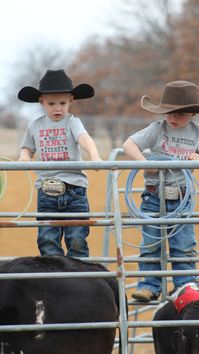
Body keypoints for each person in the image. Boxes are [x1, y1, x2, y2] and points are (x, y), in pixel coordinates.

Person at [123, 80, 199, 302]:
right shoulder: (157, 129)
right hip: (153, 194)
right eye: (168, 112)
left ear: (192, 113)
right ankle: (149, 286)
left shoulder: (198, 133)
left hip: (181, 197)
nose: (172, 118)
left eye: (179, 113)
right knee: (150, 243)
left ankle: (184, 286)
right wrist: (144, 163)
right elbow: (130, 144)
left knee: (184, 244)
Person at [18, 69, 102, 258]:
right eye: (51, 103)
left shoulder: (72, 122)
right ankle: (56, 281)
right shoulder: (35, 125)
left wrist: (94, 156)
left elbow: (84, 138)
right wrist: (24, 157)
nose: (57, 108)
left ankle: (79, 281)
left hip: (75, 190)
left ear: (71, 100)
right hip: (46, 191)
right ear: (42, 102)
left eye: (62, 103)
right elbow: (27, 148)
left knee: (77, 239)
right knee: (47, 239)